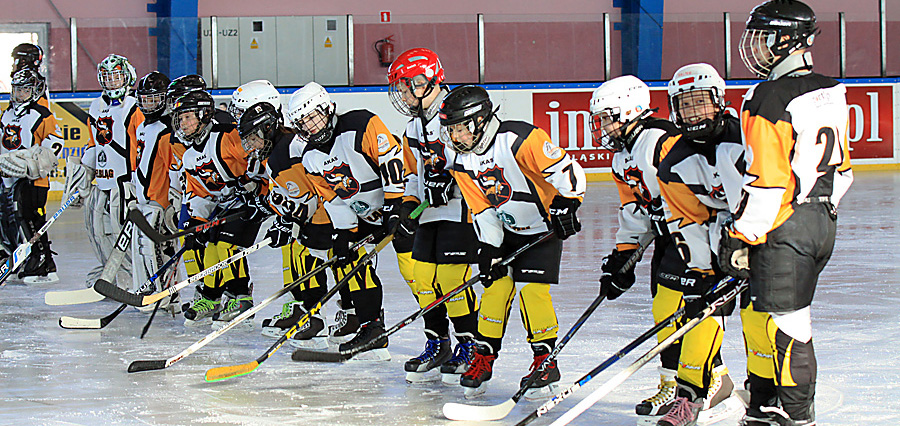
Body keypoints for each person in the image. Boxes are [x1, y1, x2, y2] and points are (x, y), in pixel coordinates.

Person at [722, 1, 852, 424]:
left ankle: (796, 414)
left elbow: (768, 181)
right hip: (820, 221)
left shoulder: (768, 96)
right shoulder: (829, 87)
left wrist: (742, 235)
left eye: (763, 36)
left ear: (788, 39)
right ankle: (770, 402)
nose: (754, 46)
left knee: (789, 323)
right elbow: (843, 172)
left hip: (784, 227)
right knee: (781, 315)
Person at [441, 85, 586, 399]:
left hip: (541, 228)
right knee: (495, 288)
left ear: (481, 121)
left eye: (462, 128)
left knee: (532, 291)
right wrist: (489, 247)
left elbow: (569, 171)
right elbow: (480, 206)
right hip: (506, 231)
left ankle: (545, 360)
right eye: (451, 130)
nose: (456, 137)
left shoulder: (520, 138)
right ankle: (484, 356)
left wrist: (568, 203)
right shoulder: (459, 158)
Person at [590, 75, 705, 418]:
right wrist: (623, 254)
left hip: (693, 234)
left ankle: (706, 381)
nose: (603, 127)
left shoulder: (660, 140)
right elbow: (634, 209)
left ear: (630, 110)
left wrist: (666, 213)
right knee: (664, 311)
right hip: (669, 237)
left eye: (607, 118)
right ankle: (672, 384)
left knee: (693, 312)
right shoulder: (621, 158)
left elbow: (691, 187)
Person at [652, 63, 744, 426]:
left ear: (719, 101)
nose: (693, 112)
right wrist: (704, 271)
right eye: (685, 104)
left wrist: (752, 242)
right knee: (704, 309)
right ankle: (689, 396)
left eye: (700, 102)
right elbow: (689, 220)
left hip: (771, 232)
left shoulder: (748, 137)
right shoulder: (673, 164)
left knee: (760, 319)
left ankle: (765, 395)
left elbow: (776, 189)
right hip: (724, 234)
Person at [293, 81, 411, 361]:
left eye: (313, 116)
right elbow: (331, 197)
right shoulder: (310, 157)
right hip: (366, 214)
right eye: (303, 121)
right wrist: (344, 232)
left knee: (416, 272)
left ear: (327, 108)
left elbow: (391, 160)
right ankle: (372, 328)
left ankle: (444, 336)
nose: (310, 125)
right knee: (349, 261)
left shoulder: (361, 123)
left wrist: (395, 206)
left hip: (403, 203)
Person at [387, 48, 480, 383]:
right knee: (423, 278)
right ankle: (437, 341)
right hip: (431, 212)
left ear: (424, 81)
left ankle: (470, 345)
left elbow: (479, 157)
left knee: (452, 279)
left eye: (404, 86)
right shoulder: (413, 127)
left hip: (462, 209)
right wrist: (407, 202)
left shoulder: (458, 112)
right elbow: (412, 171)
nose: (401, 94)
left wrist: (451, 176)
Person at [238, 101, 333, 349]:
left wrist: (287, 220)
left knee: (309, 260)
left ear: (268, 128)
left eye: (254, 138)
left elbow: (307, 200)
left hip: (325, 218)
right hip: (331, 212)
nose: (252, 145)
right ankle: (317, 315)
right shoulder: (287, 142)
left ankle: (315, 321)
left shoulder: (281, 156)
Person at [173, 90, 266, 328]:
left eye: (188, 117)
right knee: (210, 243)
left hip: (255, 202)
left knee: (226, 244)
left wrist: (261, 189)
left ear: (204, 115)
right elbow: (199, 192)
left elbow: (261, 157)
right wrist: (196, 220)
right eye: (180, 118)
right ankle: (212, 297)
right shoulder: (191, 155)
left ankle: (241, 298)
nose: (183, 123)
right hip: (232, 204)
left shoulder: (227, 137)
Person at [63, 54, 143, 289]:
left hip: (125, 182)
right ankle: (111, 275)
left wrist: (138, 181)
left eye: (117, 77)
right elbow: (94, 144)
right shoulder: (96, 107)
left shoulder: (133, 107)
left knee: (123, 233)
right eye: (107, 78)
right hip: (102, 182)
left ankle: (133, 277)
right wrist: (83, 174)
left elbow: (140, 146)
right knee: (97, 230)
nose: (112, 82)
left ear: (127, 77)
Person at [0, 68, 62, 283]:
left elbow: (55, 145)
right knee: (9, 219)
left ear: (35, 91)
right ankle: (15, 257)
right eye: (18, 90)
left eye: (26, 90)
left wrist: (31, 165)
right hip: (8, 178)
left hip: (33, 180)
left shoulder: (42, 114)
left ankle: (42, 261)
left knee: (31, 218)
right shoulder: (7, 113)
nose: (21, 95)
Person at [131, 71, 183, 313]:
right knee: (145, 247)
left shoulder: (167, 129)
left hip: (160, 200)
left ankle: (166, 292)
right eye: (144, 99)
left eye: (153, 99)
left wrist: (172, 199)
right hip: (144, 198)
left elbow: (173, 167)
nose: (148, 104)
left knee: (160, 248)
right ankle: (155, 289)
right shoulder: (143, 126)